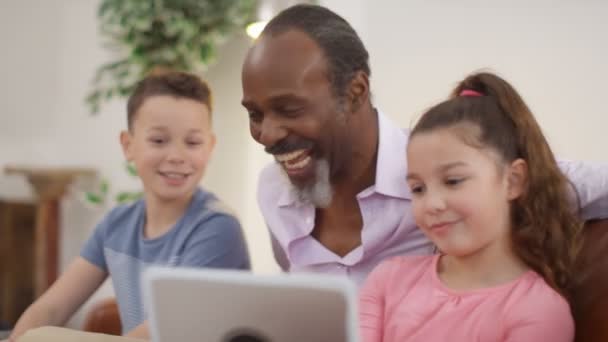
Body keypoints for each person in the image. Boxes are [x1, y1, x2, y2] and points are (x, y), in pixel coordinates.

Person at [241, 3, 608, 286]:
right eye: (254, 114)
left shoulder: (449, 177)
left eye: (289, 109)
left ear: (355, 92)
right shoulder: (272, 191)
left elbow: (583, 184)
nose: (268, 134)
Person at [7, 71, 250, 341]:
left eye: (192, 143)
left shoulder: (217, 229)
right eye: (159, 140)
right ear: (128, 145)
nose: (177, 156)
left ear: (210, 146)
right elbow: (50, 309)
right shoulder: (116, 224)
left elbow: (160, 334)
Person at [358, 72, 579, 341]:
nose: (432, 204)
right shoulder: (388, 280)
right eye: (418, 189)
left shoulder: (538, 310)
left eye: (453, 181)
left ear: (513, 180)